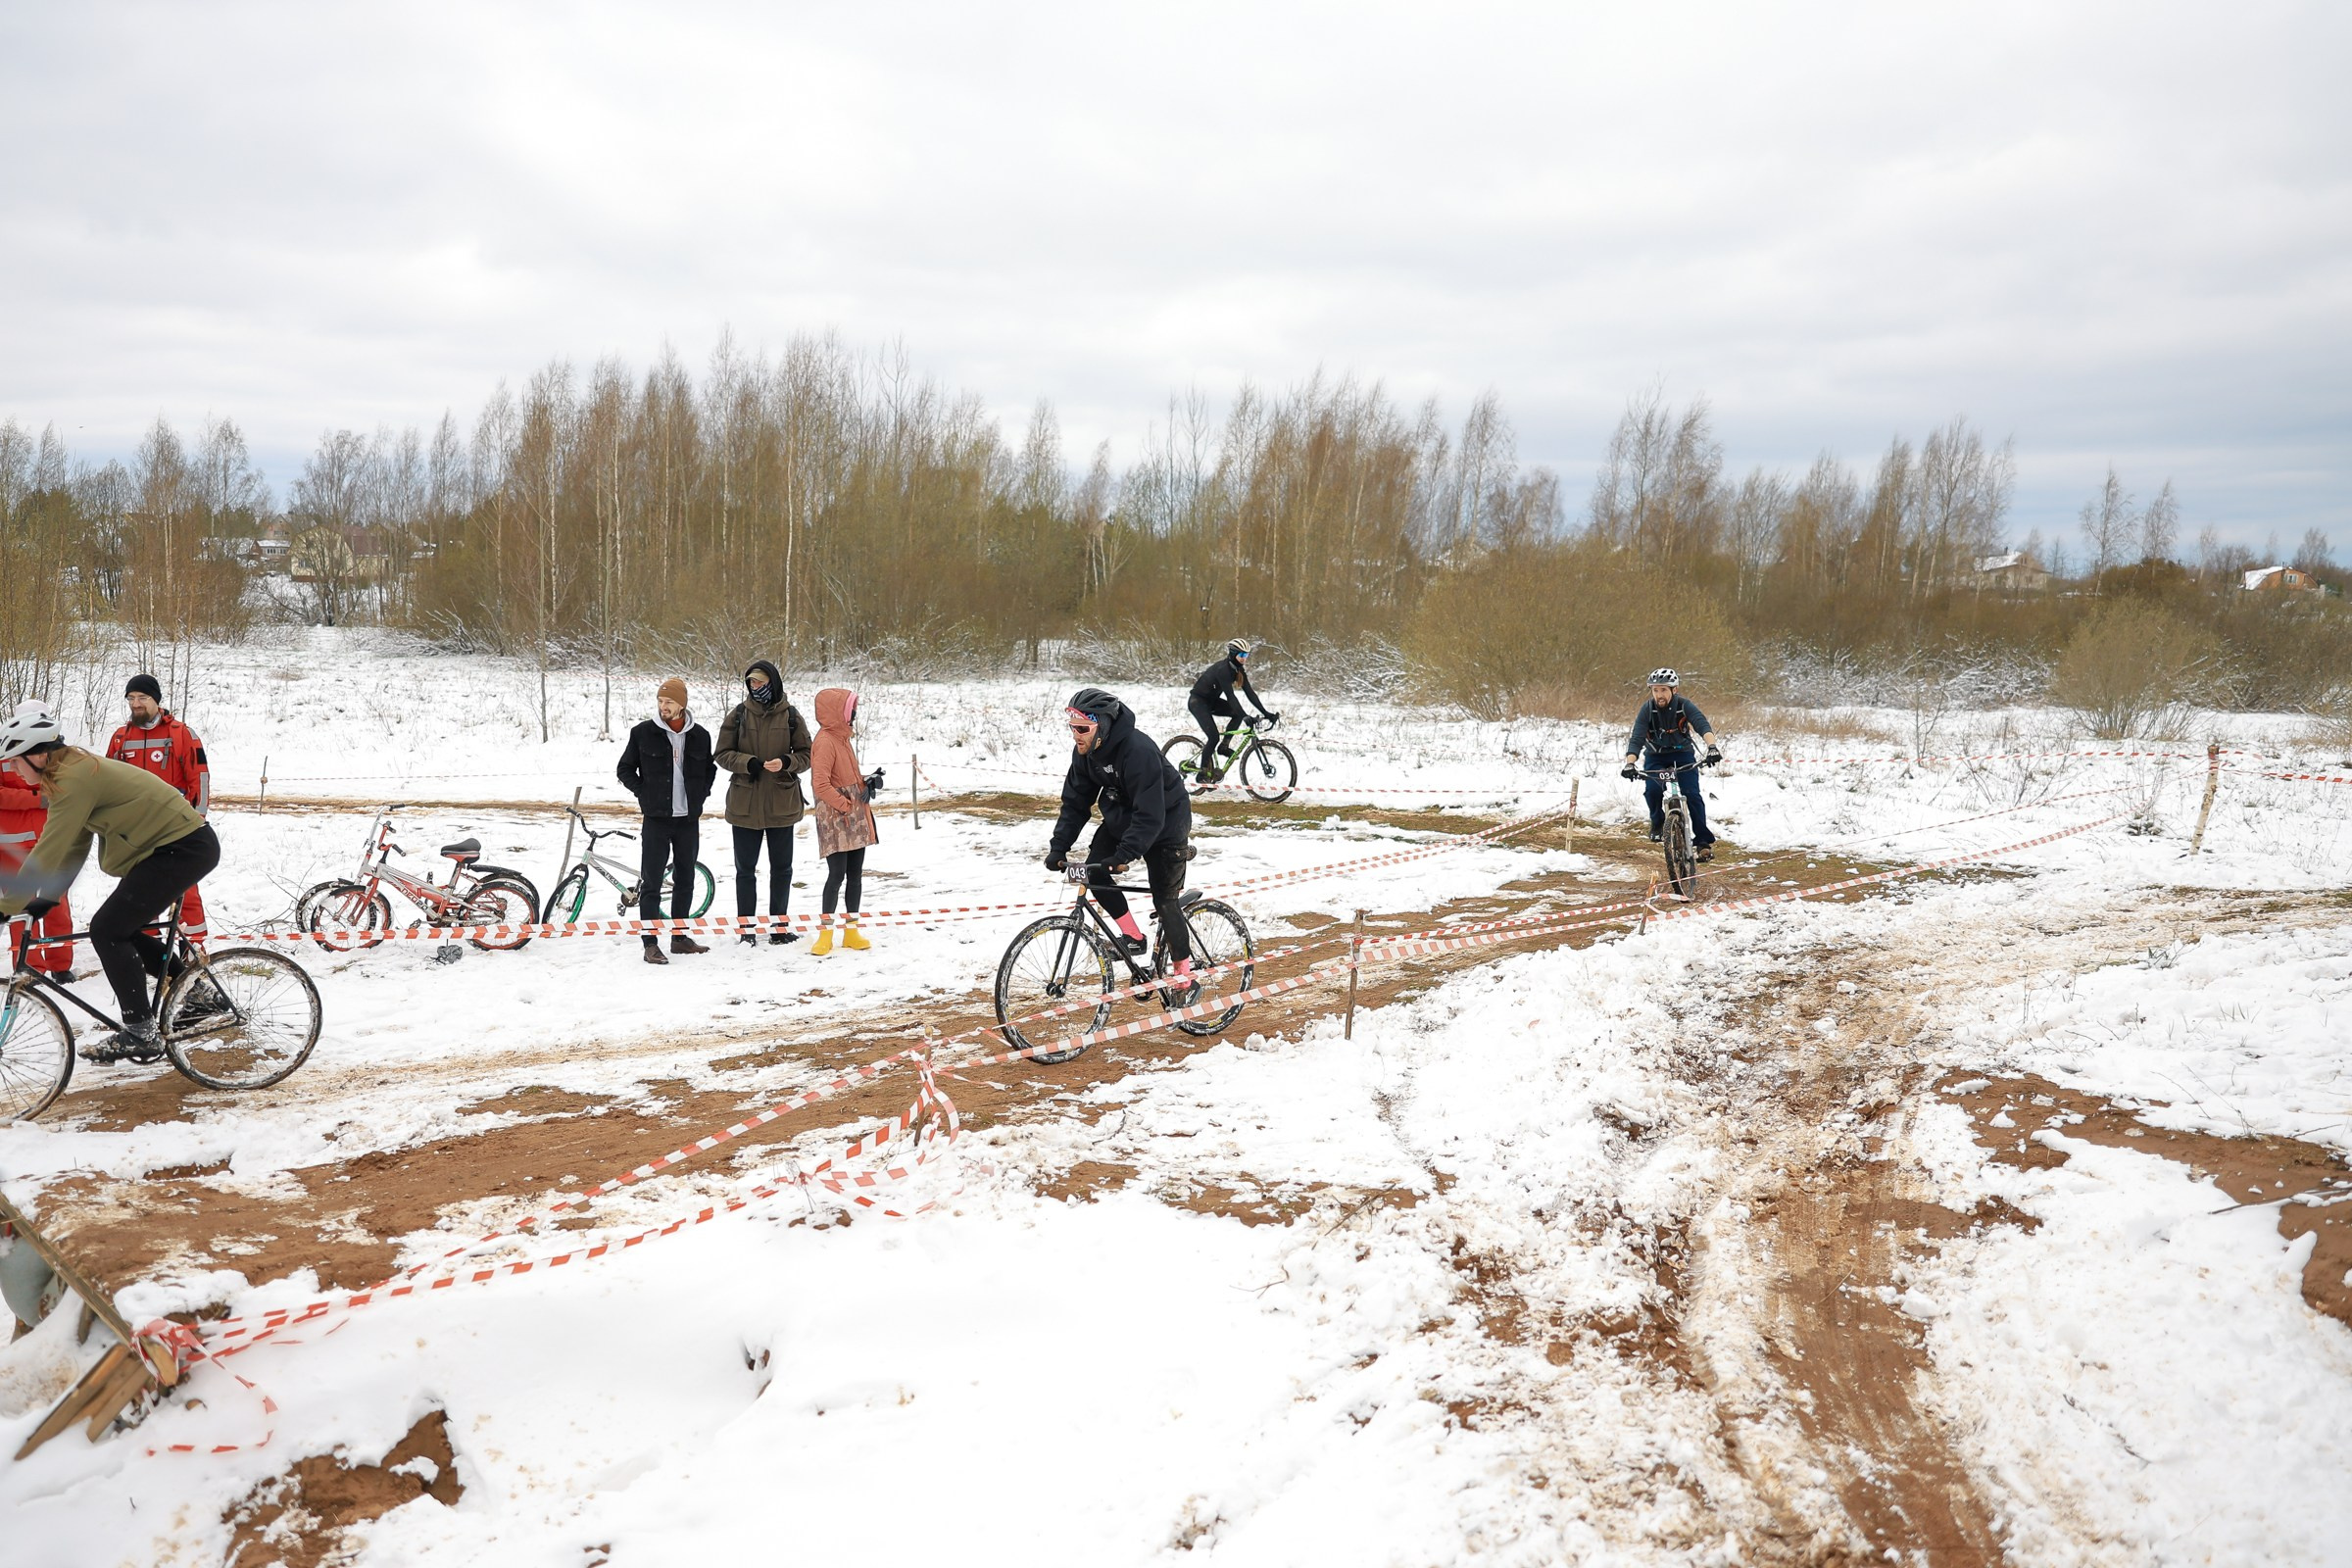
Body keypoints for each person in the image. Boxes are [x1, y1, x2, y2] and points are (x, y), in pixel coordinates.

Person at [0, 708, 220, 1062]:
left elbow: (50, 847)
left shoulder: (74, 778)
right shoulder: (68, 773)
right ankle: (196, 993)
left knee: (107, 929)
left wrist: (8, 906)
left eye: (16, 761)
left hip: (183, 848)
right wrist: (50, 898)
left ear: (39, 755)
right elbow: (75, 845)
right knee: (119, 928)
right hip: (170, 849)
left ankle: (140, 1031)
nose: (13, 769)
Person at [1046, 686, 1196, 982]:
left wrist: (1125, 854)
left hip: (1166, 823)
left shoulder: (1137, 751)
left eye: (1082, 728)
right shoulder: (1085, 753)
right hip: (1122, 819)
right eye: (1072, 727)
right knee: (1093, 873)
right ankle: (1133, 936)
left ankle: (1184, 976)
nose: (1076, 735)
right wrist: (1059, 847)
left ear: (1102, 725)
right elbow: (1075, 803)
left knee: (1164, 901)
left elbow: (1150, 813)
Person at [106, 673, 212, 946]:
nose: (136, 704)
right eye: (131, 698)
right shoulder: (120, 737)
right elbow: (106, 782)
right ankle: (148, 950)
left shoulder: (181, 733)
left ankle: (193, 952)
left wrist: (196, 819)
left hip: (175, 827)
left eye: (142, 698)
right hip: (136, 832)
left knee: (185, 890)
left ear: (156, 700)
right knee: (141, 890)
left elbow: (198, 777)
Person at [616, 677, 715, 965]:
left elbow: (709, 770)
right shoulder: (642, 733)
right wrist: (644, 793)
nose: (664, 707)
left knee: (685, 880)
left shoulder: (700, 735)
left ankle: (680, 938)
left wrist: (701, 795)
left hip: (688, 820)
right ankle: (650, 944)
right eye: (660, 702)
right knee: (651, 883)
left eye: (669, 702)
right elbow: (624, 769)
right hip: (656, 820)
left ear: (682, 703)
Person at [713, 661, 811, 948]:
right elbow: (721, 753)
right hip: (745, 805)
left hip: (782, 804)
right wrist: (748, 763)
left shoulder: (791, 716)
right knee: (745, 871)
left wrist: (786, 762)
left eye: (759, 682)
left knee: (782, 870)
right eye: (751, 683)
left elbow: (807, 754)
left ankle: (779, 928)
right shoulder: (739, 715)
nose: (755, 687)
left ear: (773, 682)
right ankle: (747, 930)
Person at [807, 687, 883, 956]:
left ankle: (851, 930)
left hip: (854, 815)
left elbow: (846, 776)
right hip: (837, 818)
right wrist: (846, 805)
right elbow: (820, 784)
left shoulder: (843, 738)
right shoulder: (825, 741)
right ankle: (825, 934)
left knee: (855, 875)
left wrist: (868, 782)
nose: (854, 714)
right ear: (838, 712)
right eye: (851, 709)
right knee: (836, 874)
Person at [1, 701, 73, 982]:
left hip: (52, 839)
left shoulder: (58, 752)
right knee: (19, 910)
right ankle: (28, 967)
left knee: (56, 904)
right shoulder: (3, 751)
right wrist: (37, 799)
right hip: (12, 845)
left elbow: (67, 786)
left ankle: (61, 965)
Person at [1620, 668, 1723, 860]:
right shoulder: (1647, 709)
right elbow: (1637, 737)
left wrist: (1712, 747)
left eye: (1663, 690)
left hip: (1683, 754)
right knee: (1652, 791)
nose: (1659, 695)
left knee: (1692, 794)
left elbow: (1702, 725)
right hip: (1656, 756)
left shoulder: (1684, 706)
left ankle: (1702, 841)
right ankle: (1658, 823)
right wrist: (1629, 763)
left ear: (1674, 690)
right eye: (1655, 690)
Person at [1187, 639, 1277, 785]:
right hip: (1198, 702)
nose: (1244, 657)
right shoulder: (1223, 670)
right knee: (1213, 737)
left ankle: (1224, 747)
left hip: (1212, 701)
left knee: (1235, 714)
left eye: (1246, 654)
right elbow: (1231, 696)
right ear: (1233, 653)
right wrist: (1245, 716)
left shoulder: (1238, 670)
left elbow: (1250, 693)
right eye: (1241, 654)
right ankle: (1202, 773)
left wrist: (1266, 713)